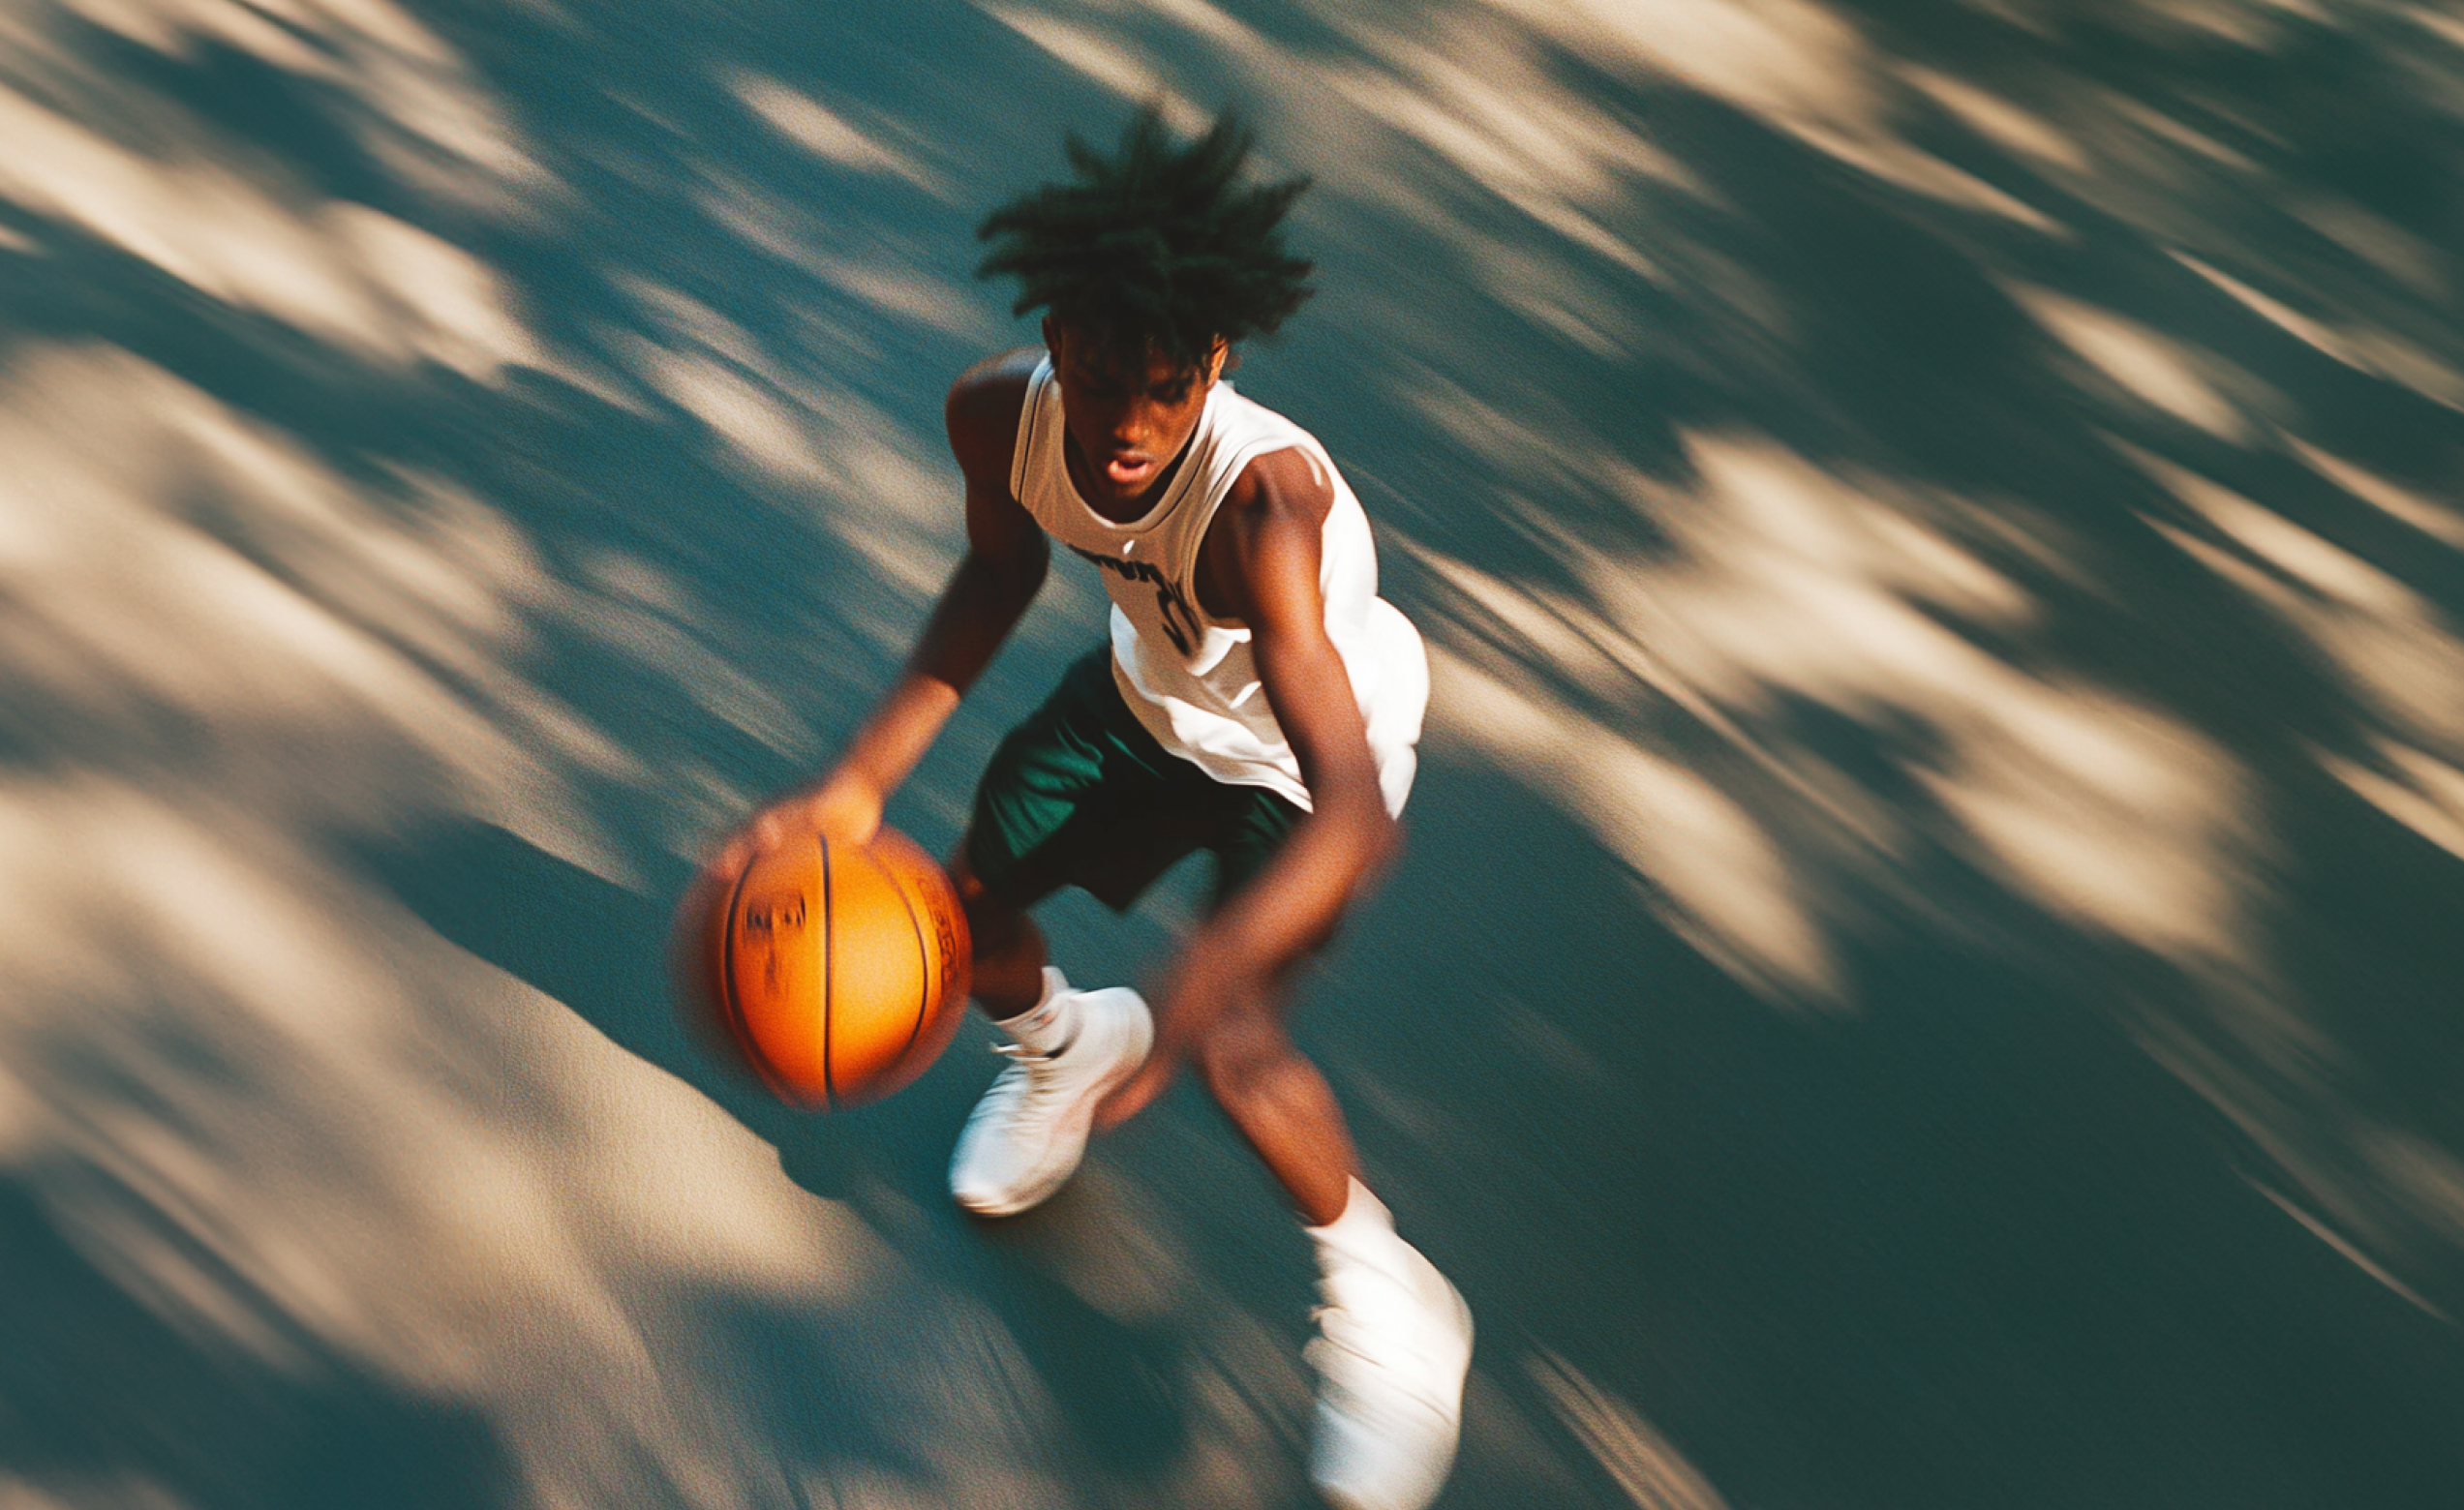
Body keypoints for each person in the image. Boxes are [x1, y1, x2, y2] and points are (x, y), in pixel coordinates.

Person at [712, 108, 1470, 1510]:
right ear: (1054, 334)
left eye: (1164, 387)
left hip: (1305, 765)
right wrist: (856, 783)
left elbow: (1356, 816)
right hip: (1152, 700)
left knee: (1237, 1046)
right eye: (1103, 376)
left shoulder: (1265, 511)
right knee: (955, 911)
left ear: (1216, 363)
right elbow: (997, 577)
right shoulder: (997, 416)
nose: (1127, 424)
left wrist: (1197, 977)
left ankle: (1388, 1295)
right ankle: (1061, 1050)